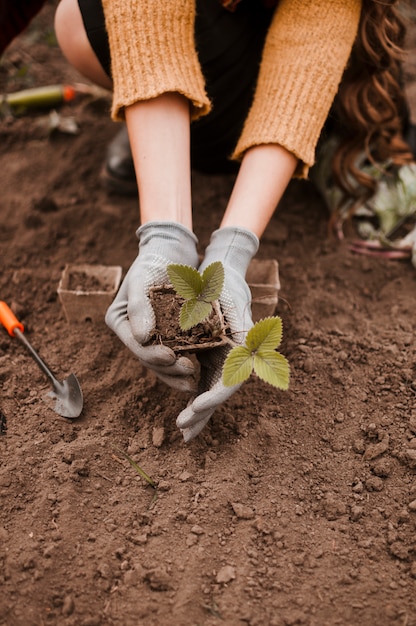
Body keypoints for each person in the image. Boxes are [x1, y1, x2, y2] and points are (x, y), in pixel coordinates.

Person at [54, 0, 415, 442]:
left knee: (341, 112)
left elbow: (305, 54)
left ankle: (336, 144)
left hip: (321, 77)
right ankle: (160, 131)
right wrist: (164, 236)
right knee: (77, 19)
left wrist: (233, 252)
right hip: (220, 56)